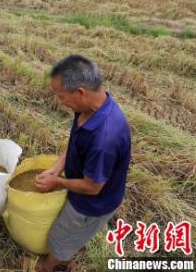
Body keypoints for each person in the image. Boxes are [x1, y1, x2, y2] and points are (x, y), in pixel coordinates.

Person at [35, 55, 131, 272]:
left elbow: (93, 187)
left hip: (91, 204)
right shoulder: (88, 107)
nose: (60, 102)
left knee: (63, 238)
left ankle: (47, 266)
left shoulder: (104, 139)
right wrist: (56, 168)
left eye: (61, 97)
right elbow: (76, 141)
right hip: (84, 186)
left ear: (80, 92)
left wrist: (57, 183)